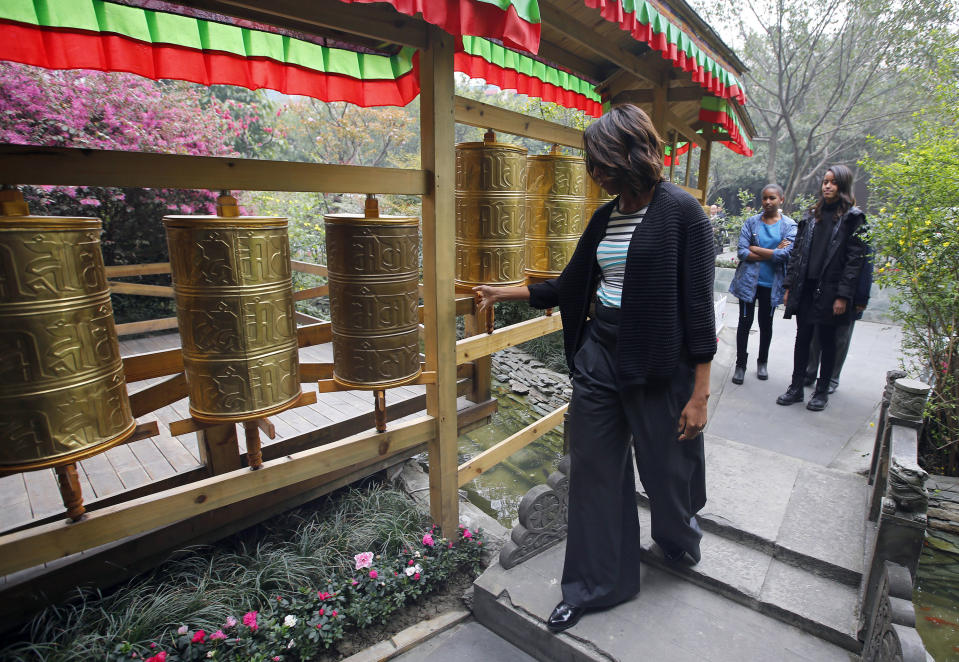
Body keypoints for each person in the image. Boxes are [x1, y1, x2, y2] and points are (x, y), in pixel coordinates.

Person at [473, 104, 715, 633]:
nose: (595, 171)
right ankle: (595, 584)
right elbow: (569, 285)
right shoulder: (605, 217)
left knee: (667, 473)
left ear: (635, 152)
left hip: (660, 364)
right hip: (602, 357)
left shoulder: (682, 213)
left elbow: (699, 308)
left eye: (602, 159)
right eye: (592, 162)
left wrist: (699, 394)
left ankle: (677, 535)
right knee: (595, 472)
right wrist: (504, 291)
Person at [777, 165, 868, 411]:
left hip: (831, 290)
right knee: (802, 338)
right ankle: (796, 388)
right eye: (825, 182)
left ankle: (821, 392)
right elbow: (796, 254)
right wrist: (789, 286)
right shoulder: (811, 215)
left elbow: (854, 261)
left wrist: (843, 296)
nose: (827, 186)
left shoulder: (853, 218)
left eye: (833, 182)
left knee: (828, 341)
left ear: (843, 185)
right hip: (806, 288)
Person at [728, 185, 796, 384]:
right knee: (744, 323)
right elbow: (742, 252)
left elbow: (787, 254)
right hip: (749, 283)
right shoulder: (751, 223)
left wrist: (755, 248)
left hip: (771, 285)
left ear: (781, 200)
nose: (767, 202)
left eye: (772, 198)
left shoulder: (789, 226)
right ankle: (740, 364)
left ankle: (762, 362)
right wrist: (774, 251)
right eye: (764, 198)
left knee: (766, 325)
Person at [803, 251, 873, 393]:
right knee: (816, 336)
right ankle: (810, 372)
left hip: (849, 295)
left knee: (841, 339)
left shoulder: (861, 233)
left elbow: (866, 267)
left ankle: (832, 378)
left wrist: (862, 298)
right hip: (824, 292)